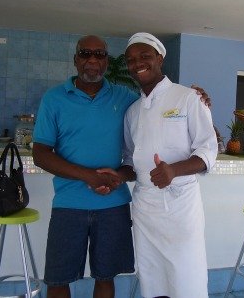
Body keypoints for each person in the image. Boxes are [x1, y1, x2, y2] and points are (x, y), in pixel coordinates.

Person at [32, 35, 211, 298]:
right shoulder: (59, 99)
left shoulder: (126, 98)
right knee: (59, 279)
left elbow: (201, 141)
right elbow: (41, 154)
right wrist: (95, 177)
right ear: (75, 59)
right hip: (71, 203)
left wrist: (201, 101)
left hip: (117, 207)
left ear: (107, 61)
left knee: (109, 277)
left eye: (100, 55)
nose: (92, 60)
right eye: (85, 53)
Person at [119, 32, 218, 298]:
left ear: (160, 58)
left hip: (180, 207)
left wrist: (173, 170)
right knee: (151, 278)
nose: (137, 63)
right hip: (145, 209)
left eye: (144, 56)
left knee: (186, 278)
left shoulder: (188, 98)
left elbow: (208, 149)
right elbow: (130, 159)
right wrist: (116, 176)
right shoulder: (133, 111)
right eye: (130, 59)